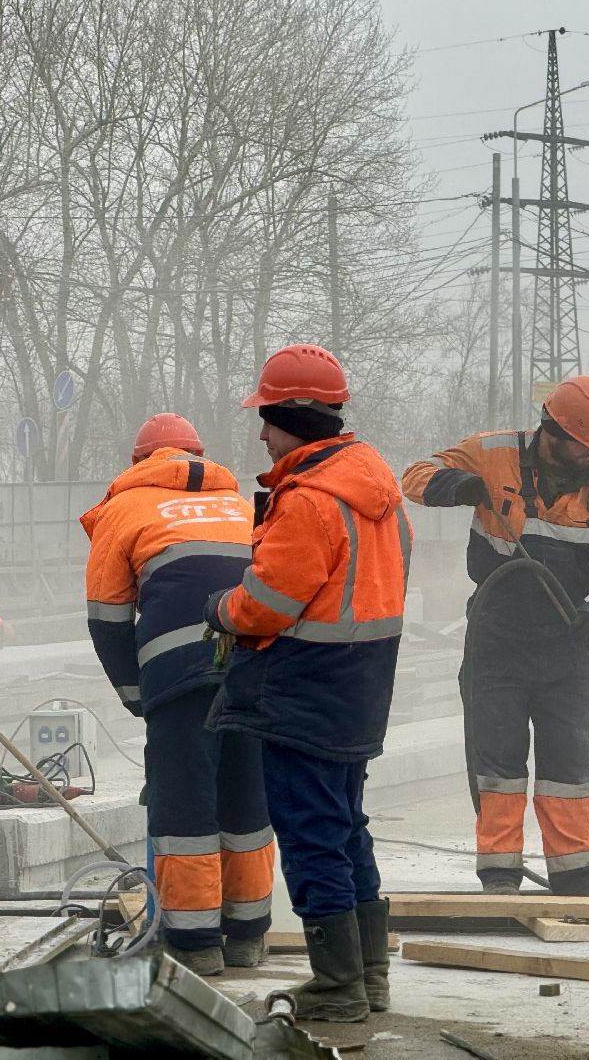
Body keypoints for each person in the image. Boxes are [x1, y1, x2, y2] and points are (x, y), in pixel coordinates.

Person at [204, 345, 411, 1023]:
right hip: (361, 687)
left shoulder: (308, 501)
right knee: (346, 826)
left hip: (301, 689)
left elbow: (266, 603)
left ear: (293, 414)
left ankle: (338, 989)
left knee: (311, 833)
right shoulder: (375, 491)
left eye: (266, 417)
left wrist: (220, 610)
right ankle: (368, 976)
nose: (261, 432)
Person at [401, 375, 589, 898]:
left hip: (568, 639)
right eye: (583, 445)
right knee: (500, 760)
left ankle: (576, 869)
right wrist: (456, 486)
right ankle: (501, 873)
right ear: (551, 431)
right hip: (497, 636)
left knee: (567, 760)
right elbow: (416, 476)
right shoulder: (492, 454)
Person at [81, 412, 273, 977]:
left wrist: (138, 695)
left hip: (181, 675)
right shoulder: (242, 506)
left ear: (140, 462)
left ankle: (194, 945)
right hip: (254, 665)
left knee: (184, 805)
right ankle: (247, 939)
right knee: (247, 800)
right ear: (198, 456)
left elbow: (107, 618)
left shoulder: (124, 508)